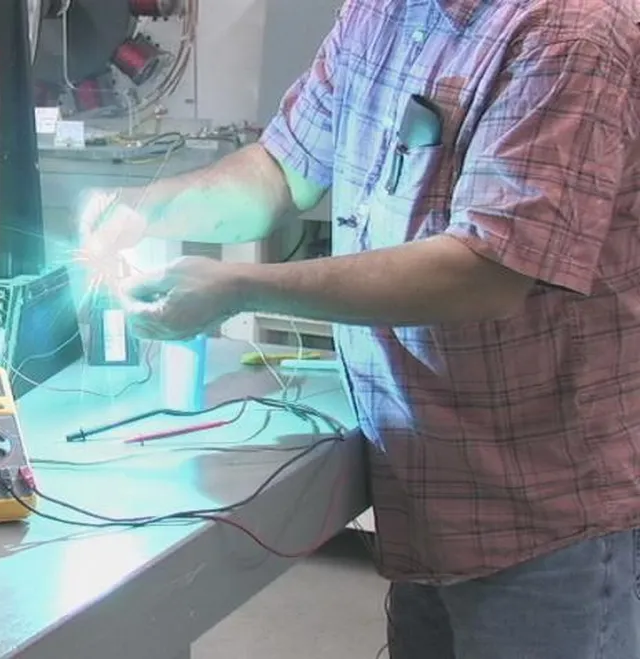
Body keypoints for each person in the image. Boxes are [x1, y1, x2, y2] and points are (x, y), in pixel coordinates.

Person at [78, 1, 640, 657]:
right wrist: (154, 205)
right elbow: (281, 172)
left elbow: (485, 272)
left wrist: (241, 287)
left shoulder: (573, 32)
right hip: (427, 492)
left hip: (544, 516)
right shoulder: (383, 11)